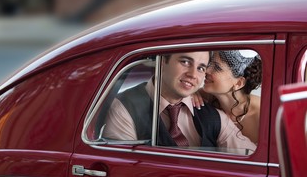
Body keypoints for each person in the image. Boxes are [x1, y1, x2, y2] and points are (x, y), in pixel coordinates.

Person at [103, 51, 256, 152]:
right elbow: (124, 172)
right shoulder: (124, 108)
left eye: (201, 68)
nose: (193, 74)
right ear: (162, 61)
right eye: (185, 62)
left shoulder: (212, 114)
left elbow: (251, 157)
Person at [193, 50, 262, 144]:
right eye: (210, 63)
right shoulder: (201, 97)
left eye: (217, 68)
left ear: (239, 83)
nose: (207, 70)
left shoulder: (262, 115)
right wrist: (190, 93)